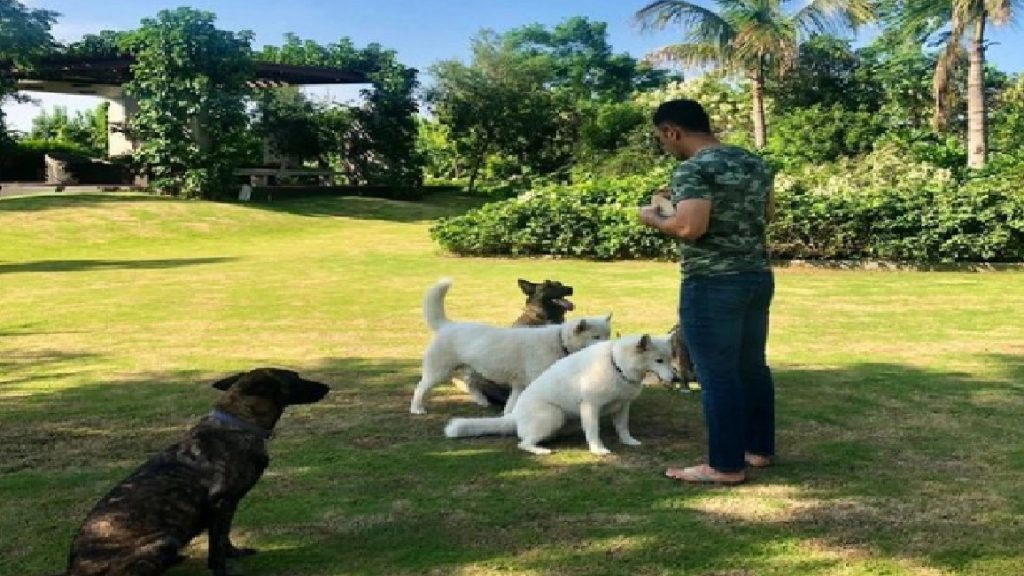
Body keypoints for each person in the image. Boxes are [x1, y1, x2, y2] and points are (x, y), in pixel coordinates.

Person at [638, 99, 776, 485]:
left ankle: (725, 466)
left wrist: (654, 218)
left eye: (662, 138)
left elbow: (690, 228)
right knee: (752, 368)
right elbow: (766, 214)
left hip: (712, 282)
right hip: (756, 276)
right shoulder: (753, 163)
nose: (665, 145)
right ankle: (758, 450)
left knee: (717, 374)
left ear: (672, 131)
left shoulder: (693, 169)